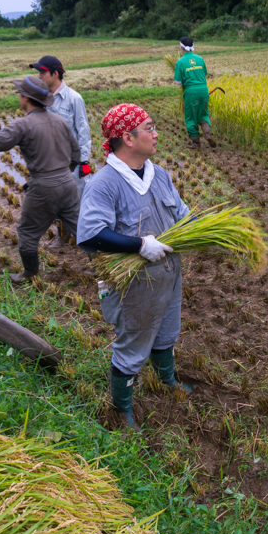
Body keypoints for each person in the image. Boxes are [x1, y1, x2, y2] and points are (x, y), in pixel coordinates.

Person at [77, 103, 193, 431]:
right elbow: (92, 234)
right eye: (150, 128)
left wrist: (205, 227)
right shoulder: (104, 183)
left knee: (167, 332)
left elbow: (182, 214)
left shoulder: (159, 175)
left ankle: (167, 380)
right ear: (128, 138)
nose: (156, 134)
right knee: (133, 345)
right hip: (135, 284)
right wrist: (141, 245)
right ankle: (122, 410)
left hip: (169, 274)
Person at [0, 76, 81, 283]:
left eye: (20, 93)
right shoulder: (60, 121)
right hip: (67, 183)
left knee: (27, 231)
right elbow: (76, 154)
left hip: (44, 187)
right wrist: (63, 174)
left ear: (26, 98)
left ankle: (29, 274)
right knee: (81, 228)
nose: (18, 95)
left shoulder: (24, 124)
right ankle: (107, 266)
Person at [30, 55, 92, 246]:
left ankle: (85, 239)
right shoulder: (41, 99)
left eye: (42, 72)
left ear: (55, 74)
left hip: (71, 162)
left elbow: (83, 131)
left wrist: (84, 162)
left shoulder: (74, 99)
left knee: (77, 201)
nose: (39, 76)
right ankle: (62, 236)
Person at [174, 36, 215, 149]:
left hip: (191, 92)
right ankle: (207, 134)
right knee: (203, 114)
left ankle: (196, 143)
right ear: (192, 47)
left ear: (182, 48)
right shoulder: (200, 59)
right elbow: (204, 74)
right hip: (203, 90)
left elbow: (178, 82)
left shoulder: (180, 62)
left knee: (191, 117)